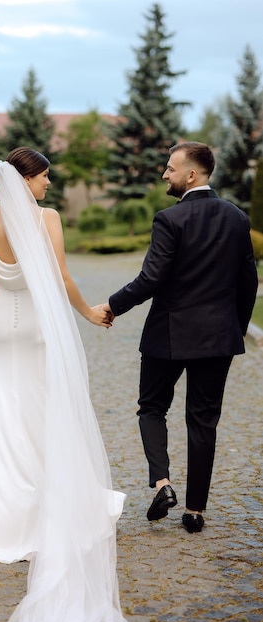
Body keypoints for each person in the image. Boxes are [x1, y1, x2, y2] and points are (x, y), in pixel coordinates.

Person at [0, 147, 129, 622]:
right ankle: (45, 512)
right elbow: (61, 276)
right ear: (25, 179)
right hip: (36, 326)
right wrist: (89, 313)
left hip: (0, 325)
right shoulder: (46, 219)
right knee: (41, 411)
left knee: (0, 408)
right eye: (45, 176)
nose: (49, 184)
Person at [101, 142, 258, 534]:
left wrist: (111, 306)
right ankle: (195, 512)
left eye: (170, 169)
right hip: (218, 338)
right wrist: (234, 329)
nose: (164, 175)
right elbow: (248, 282)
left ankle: (162, 483)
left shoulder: (169, 219)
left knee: (152, 408)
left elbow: (151, 279)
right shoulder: (238, 219)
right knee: (203, 421)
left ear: (192, 175)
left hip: (167, 335)